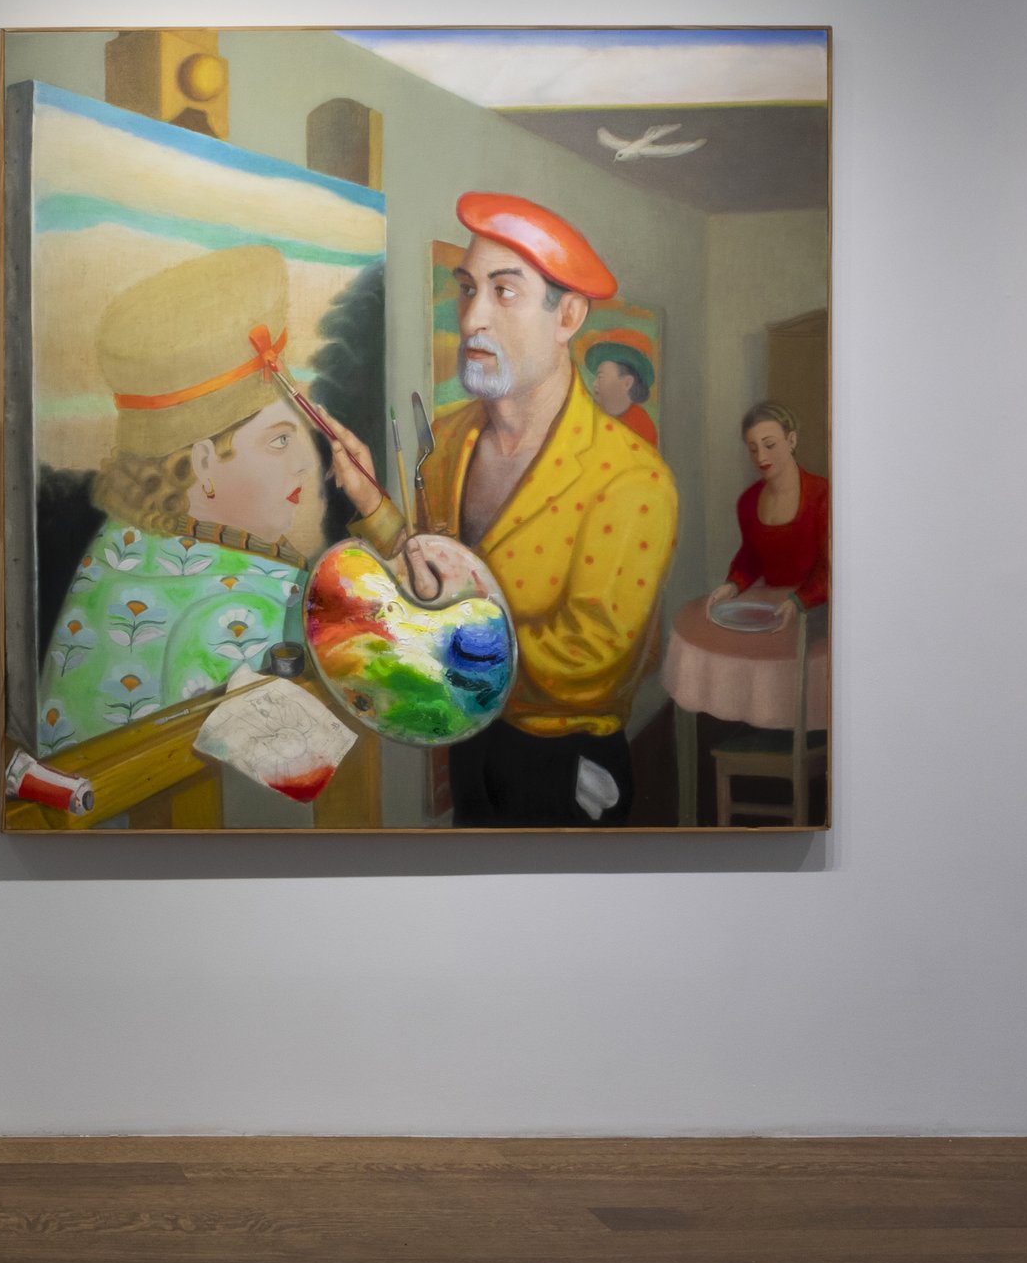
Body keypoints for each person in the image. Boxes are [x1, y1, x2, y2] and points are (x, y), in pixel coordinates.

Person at [327, 192, 679, 827]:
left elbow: (590, 661)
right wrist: (369, 499)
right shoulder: (449, 439)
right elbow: (427, 572)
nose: (472, 320)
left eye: (504, 291)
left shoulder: (631, 477)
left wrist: (430, 644)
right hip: (470, 747)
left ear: (567, 314)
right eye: (467, 289)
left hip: (564, 766)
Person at [34, 246, 366, 758]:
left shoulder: (124, 544)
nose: (305, 462)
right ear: (205, 463)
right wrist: (374, 518)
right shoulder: (243, 613)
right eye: (279, 440)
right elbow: (325, 768)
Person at [708, 399, 829, 621]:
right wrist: (733, 585)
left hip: (815, 611)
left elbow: (830, 570)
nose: (761, 458)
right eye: (753, 449)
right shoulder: (748, 501)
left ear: (791, 441)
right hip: (770, 608)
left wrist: (799, 602)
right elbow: (751, 558)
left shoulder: (822, 495)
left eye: (770, 445)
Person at [583, 327, 660, 447]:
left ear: (627, 383)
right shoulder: (590, 420)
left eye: (601, 377)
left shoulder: (641, 427)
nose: (595, 384)